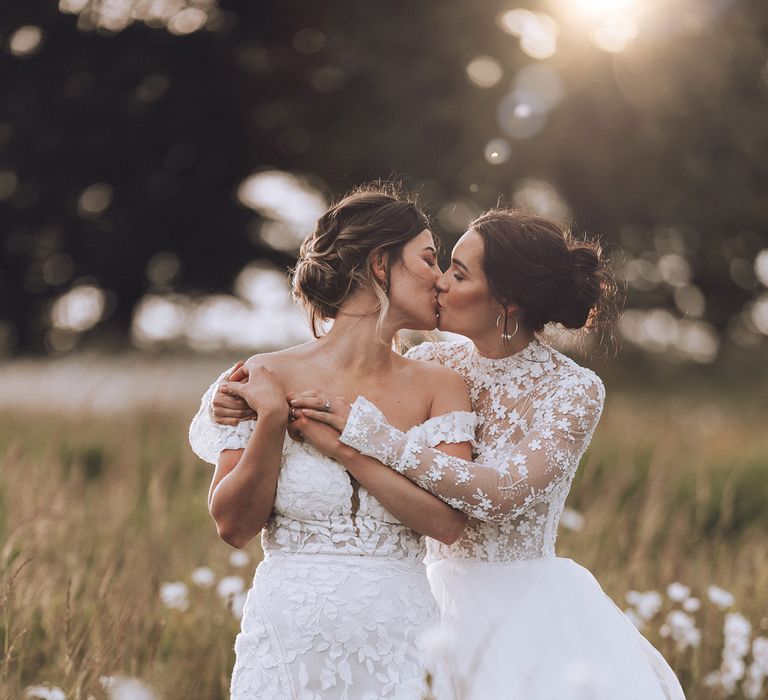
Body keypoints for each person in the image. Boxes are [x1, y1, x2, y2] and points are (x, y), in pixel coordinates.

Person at [210, 209, 686, 699]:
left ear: (508, 300)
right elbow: (352, 380)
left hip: (521, 608)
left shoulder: (572, 389)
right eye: (439, 265)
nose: (439, 283)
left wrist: (372, 436)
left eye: (458, 273)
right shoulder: (431, 361)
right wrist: (243, 404)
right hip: (426, 596)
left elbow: (500, 495)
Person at [189, 185, 476, 699]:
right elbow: (233, 526)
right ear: (380, 265)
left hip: (400, 636)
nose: (440, 278)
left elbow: (447, 523)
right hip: (289, 638)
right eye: (429, 259)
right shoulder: (263, 376)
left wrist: (348, 449)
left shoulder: (441, 387)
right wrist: (273, 418)